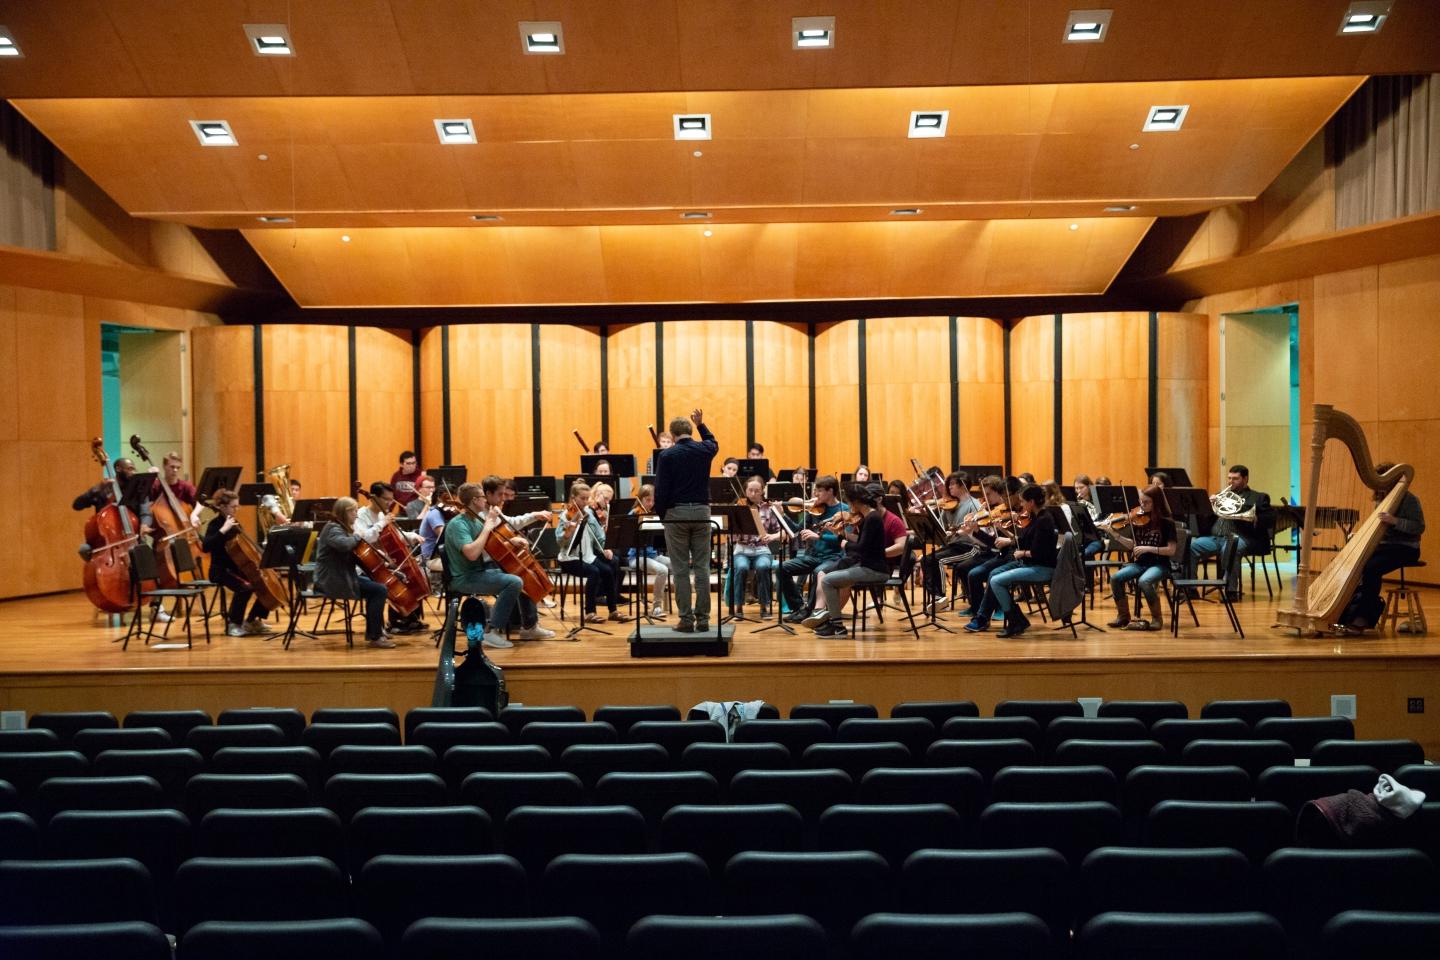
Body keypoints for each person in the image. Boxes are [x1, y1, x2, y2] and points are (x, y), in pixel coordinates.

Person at [442, 482, 556, 650]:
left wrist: (511, 542)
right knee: (514, 581)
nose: (485, 501)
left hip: (477, 571)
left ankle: (530, 627)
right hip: (463, 577)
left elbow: (490, 544)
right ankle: (491, 631)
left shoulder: (476, 520)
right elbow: (472, 553)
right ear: (475, 500)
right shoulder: (459, 524)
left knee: (522, 574)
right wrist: (488, 526)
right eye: (482, 497)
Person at [1338, 465, 1425, 632]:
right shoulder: (1381, 500)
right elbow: (1379, 531)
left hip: (1407, 548)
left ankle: (1363, 618)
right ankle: (1345, 613)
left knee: (1371, 568)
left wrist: (1395, 521)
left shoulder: (1409, 499)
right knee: (1354, 561)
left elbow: (1419, 527)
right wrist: (1360, 536)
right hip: (1386, 547)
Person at [654, 408, 719, 632]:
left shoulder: (667, 455)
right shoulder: (704, 449)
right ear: (690, 431)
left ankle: (686, 620)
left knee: (681, 569)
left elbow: (661, 491)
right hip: (702, 513)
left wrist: (663, 516)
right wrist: (701, 424)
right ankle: (703, 620)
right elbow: (713, 442)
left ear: (672, 436)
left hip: (676, 515)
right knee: (702, 568)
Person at [803, 484, 889, 638]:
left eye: (849, 503)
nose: (849, 507)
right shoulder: (869, 517)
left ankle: (837, 627)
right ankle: (832, 622)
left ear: (856, 502)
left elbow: (862, 547)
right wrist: (841, 536)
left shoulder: (872, 518)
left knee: (828, 581)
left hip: (874, 570)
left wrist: (844, 544)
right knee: (830, 577)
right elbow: (862, 541)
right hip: (866, 565)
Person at [980, 483, 1063, 638]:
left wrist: (1022, 553)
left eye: (1023, 501)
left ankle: (1016, 621)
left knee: (996, 581)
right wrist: (1006, 534)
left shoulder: (1044, 520)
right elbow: (1024, 539)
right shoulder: (1036, 517)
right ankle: (1016, 620)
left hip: (1043, 568)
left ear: (1031, 502)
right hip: (1032, 564)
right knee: (995, 576)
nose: (1022, 505)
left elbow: (1039, 553)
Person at [313, 496, 395, 648]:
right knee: (379, 590)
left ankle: (375, 632)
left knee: (377, 587)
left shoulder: (342, 528)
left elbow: (356, 556)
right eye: (354, 511)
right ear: (346, 512)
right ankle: (375, 636)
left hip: (344, 576)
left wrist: (382, 563)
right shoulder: (333, 529)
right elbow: (345, 545)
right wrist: (359, 535)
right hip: (332, 580)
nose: (357, 515)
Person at [202, 488, 275, 638]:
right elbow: (206, 546)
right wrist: (223, 530)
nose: (236, 509)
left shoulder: (235, 523)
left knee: (264, 584)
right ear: (222, 506)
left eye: (237, 506)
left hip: (237, 568)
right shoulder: (215, 525)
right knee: (245, 588)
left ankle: (252, 620)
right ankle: (233, 624)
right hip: (220, 570)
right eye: (233, 506)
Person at [1190, 464, 1270, 600]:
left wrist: (1255, 517)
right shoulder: (1222, 495)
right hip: (1215, 538)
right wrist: (1208, 505)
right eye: (1229, 478)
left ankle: (1230, 590)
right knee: (1192, 546)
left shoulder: (1258, 497)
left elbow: (1269, 518)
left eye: (1235, 479)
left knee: (1231, 547)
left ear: (1245, 479)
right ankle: (1190, 588)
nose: (1230, 482)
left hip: (1241, 537)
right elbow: (1207, 519)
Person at [558, 481, 631, 625]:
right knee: (594, 572)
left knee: (608, 570)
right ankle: (590, 612)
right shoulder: (566, 515)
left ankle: (613, 611)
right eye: (582, 499)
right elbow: (560, 541)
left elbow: (599, 536)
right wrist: (568, 532)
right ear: (573, 498)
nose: (585, 502)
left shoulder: (589, 515)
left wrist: (605, 547)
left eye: (587, 498)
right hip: (569, 558)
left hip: (587, 555)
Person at [357, 481, 427, 633]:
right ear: (374, 497)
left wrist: (412, 536)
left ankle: (410, 618)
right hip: (369, 564)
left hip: (385, 561)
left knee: (415, 572)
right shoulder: (361, 515)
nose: (390, 503)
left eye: (391, 499)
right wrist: (382, 523)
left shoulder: (383, 514)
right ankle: (396, 621)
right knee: (400, 577)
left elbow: (394, 536)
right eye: (386, 499)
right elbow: (364, 539)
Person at [1106, 485, 1178, 630]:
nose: (1142, 506)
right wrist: (1114, 534)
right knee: (1115, 578)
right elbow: (1132, 545)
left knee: (1144, 581)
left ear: (1156, 502)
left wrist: (1148, 548)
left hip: (1160, 565)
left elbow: (1171, 550)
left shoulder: (1167, 522)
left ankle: (1157, 619)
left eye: (1146, 502)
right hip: (1140, 563)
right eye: (1141, 502)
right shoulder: (1138, 519)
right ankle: (1123, 616)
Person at [779, 475, 849, 623]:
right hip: (814, 556)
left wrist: (818, 537)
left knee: (819, 572)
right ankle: (798, 608)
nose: (815, 494)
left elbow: (844, 539)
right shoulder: (814, 509)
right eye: (815, 490)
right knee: (782, 568)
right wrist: (783, 514)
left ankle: (811, 611)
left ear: (830, 491)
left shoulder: (844, 510)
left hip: (834, 557)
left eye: (820, 491)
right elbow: (797, 530)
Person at [958, 476, 1019, 617]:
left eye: (989, 494)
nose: (986, 498)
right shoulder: (990, 512)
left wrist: (1001, 529)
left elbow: (1017, 540)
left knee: (989, 574)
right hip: (998, 552)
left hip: (1012, 555)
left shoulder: (1012, 513)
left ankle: (1000, 608)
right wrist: (975, 531)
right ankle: (977, 608)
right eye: (984, 494)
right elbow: (993, 542)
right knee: (969, 571)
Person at [919, 472, 984, 599]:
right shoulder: (949, 505)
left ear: (964, 486)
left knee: (937, 560)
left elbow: (979, 530)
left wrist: (963, 530)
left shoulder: (974, 504)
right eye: (948, 484)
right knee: (925, 559)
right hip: (954, 546)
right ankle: (935, 597)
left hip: (970, 547)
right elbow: (941, 527)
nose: (949, 487)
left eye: (953, 484)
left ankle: (941, 597)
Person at [730, 475, 784, 620]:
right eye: (750, 490)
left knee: (763, 567)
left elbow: (782, 531)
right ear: (746, 491)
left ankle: (764, 606)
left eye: (757, 491)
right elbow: (730, 533)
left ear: (762, 492)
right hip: (742, 549)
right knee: (741, 568)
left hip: (762, 550)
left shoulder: (769, 509)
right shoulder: (739, 507)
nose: (753, 494)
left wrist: (772, 536)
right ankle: (738, 607)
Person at [629, 484, 672, 620]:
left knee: (678, 564)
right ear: (640, 498)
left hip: (652, 555)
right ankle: (656, 607)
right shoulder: (634, 514)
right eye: (648, 500)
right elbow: (627, 539)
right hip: (636, 557)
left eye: (653, 500)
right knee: (663, 570)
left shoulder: (654, 514)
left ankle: (680, 602)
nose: (651, 503)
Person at [1046, 480, 1103, 560]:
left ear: (1089, 486)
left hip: (1094, 537)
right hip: (1078, 537)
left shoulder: (1097, 501)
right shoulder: (1075, 505)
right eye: (1076, 488)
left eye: (1081, 487)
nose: (1078, 491)